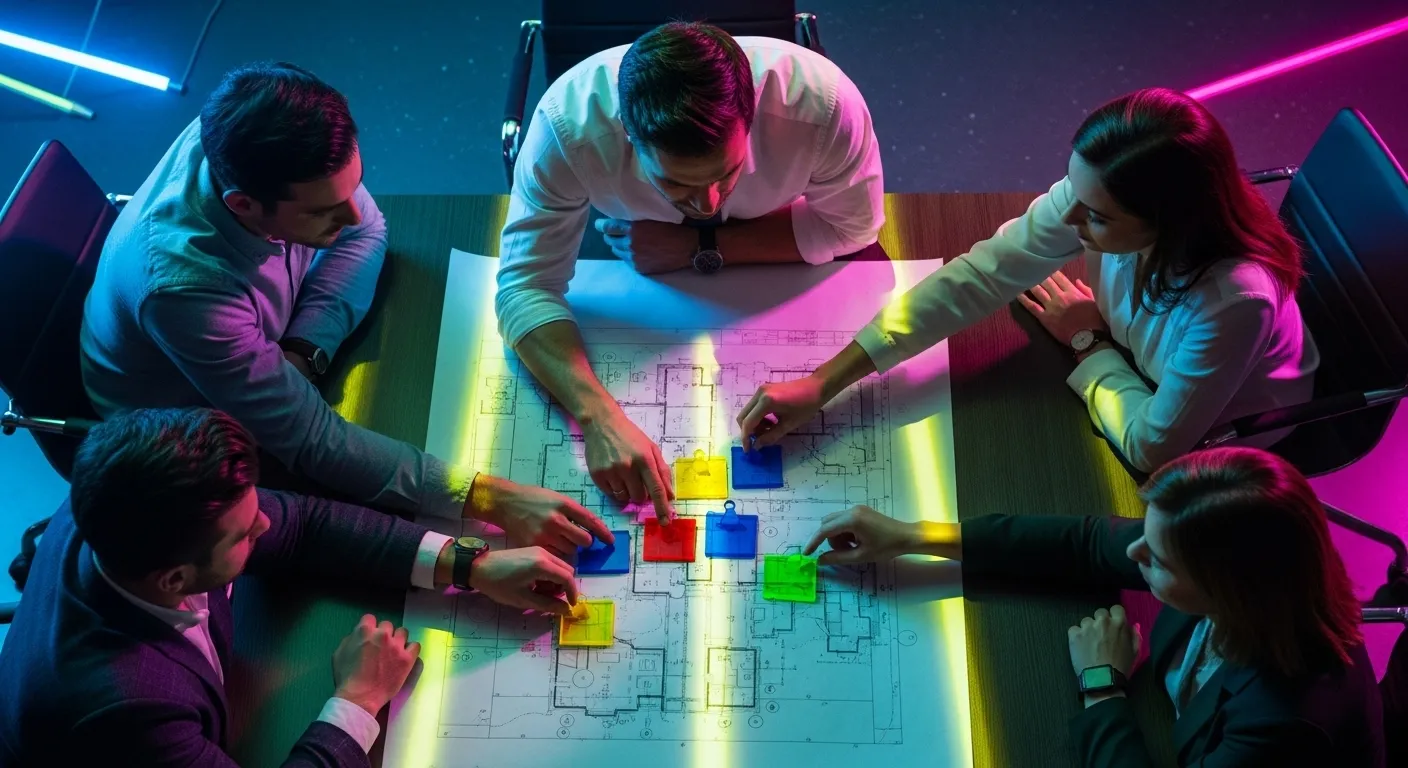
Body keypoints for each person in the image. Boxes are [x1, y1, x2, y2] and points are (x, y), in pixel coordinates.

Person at [79, 62, 602, 544]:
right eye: (326, 210)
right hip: (186, 433)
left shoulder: (255, 135)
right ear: (244, 205)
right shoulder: (184, 288)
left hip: (267, 360)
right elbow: (309, 439)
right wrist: (488, 498)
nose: (355, 213)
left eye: (355, 186)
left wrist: (303, 354)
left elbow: (366, 233)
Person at [738, 88, 1317, 473]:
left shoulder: (1233, 302)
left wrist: (1088, 342)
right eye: (1074, 191)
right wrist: (824, 383)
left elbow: (1152, 447)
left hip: (1227, 426)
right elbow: (980, 277)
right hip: (1139, 367)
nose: (1068, 221)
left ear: (1169, 221)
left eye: (1096, 216)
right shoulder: (1100, 197)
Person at [0, 408, 585, 766]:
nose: (265, 523)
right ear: (175, 579)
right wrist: (356, 702)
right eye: (244, 533)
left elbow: (305, 523)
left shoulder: (131, 503)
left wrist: (468, 564)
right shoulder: (125, 709)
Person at [496, 22, 885, 519]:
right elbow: (523, 286)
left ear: (751, 119)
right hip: (623, 250)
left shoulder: (824, 106)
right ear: (628, 136)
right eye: (675, 183)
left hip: (690, 259)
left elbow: (855, 229)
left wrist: (696, 245)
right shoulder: (566, 129)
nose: (709, 202)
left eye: (728, 172)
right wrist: (596, 415)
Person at [803, 446, 1382, 766]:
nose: (1133, 553)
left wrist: (1101, 686)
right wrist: (915, 536)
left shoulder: (1284, 725)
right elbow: (1085, 540)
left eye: (1155, 559)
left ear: (1229, 593)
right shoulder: (1232, 556)